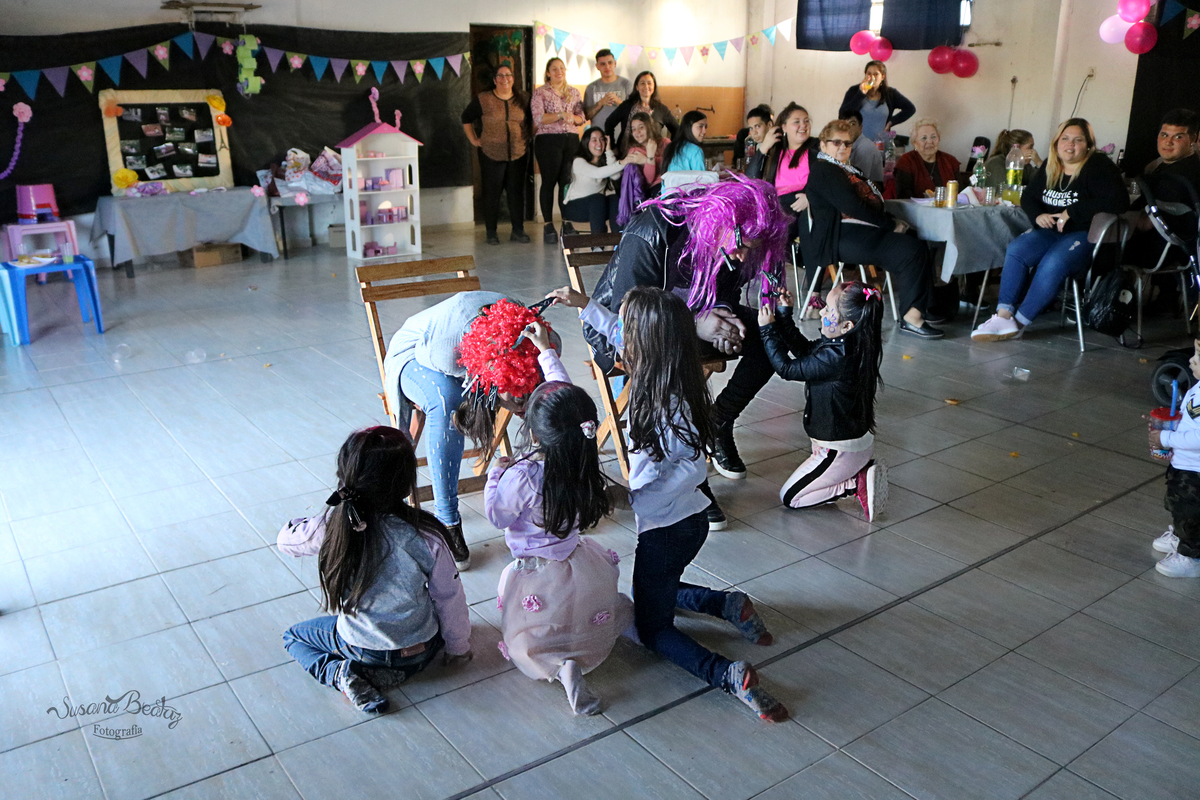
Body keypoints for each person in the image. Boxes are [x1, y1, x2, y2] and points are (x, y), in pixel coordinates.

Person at [549, 284, 789, 722]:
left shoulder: (658, 405)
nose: (622, 337)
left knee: (652, 626)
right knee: (655, 589)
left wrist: (626, 497)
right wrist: (584, 305)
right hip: (690, 520)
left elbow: (674, 475)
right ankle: (726, 605)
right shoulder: (673, 373)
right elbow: (619, 330)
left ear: (644, 344)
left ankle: (726, 673)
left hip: (666, 530)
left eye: (629, 330)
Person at [580, 175, 793, 481]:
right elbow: (631, 315)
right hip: (627, 330)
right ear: (720, 221)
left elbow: (727, 288)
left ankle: (719, 421)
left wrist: (724, 313)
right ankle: (680, 463)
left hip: (692, 314)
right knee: (671, 349)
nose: (744, 256)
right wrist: (693, 323)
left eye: (752, 249)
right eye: (743, 246)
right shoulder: (653, 227)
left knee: (771, 334)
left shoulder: (732, 239)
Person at [485, 321, 633, 715]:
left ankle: (558, 666)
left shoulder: (522, 476)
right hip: (577, 562)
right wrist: (546, 352)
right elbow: (568, 401)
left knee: (530, 634)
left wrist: (494, 475)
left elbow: (498, 515)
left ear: (535, 434)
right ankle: (576, 650)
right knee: (574, 610)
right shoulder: (582, 460)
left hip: (534, 571)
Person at [278, 427, 472, 713]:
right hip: (424, 650)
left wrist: (311, 521)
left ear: (345, 476)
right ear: (406, 482)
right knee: (433, 613)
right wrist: (458, 647)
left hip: (364, 649)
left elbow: (285, 542)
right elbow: (449, 596)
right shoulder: (427, 534)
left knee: (293, 636)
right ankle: (395, 670)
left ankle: (340, 674)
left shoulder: (331, 527)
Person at [382, 292, 568, 569]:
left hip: (482, 354)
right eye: (517, 399)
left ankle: (556, 486)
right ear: (490, 379)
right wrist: (476, 383)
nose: (523, 407)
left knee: (545, 394)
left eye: (527, 392)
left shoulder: (546, 340)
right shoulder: (445, 353)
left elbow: (555, 382)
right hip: (416, 353)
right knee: (447, 400)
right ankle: (446, 520)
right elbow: (433, 361)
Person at [971, 117, 1130, 341]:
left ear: (1088, 145)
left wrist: (1072, 211)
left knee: (1053, 262)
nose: (1070, 145)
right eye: (1065, 139)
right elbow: (1029, 197)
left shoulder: (1099, 165)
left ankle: (1019, 323)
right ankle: (1003, 317)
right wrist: (1038, 215)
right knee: (1016, 250)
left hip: (1084, 234)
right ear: (1056, 142)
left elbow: (1119, 201)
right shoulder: (1051, 164)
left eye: (1078, 140)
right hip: (1052, 232)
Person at [757, 282, 888, 519]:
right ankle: (854, 471)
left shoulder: (837, 357)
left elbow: (786, 369)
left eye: (828, 310)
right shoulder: (849, 343)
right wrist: (784, 316)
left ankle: (854, 483)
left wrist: (767, 330)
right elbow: (805, 352)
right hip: (846, 444)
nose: (821, 313)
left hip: (838, 451)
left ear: (847, 325)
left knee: (791, 498)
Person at [805, 119, 942, 339]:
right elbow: (853, 207)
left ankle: (925, 307)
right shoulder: (824, 169)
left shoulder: (846, 169)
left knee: (916, 239)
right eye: (836, 142)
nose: (842, 147)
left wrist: (891, 222)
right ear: (823, 144)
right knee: (911, 249)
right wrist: (890, 224)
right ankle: (912, 317)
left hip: (859, 232)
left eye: (847, 143)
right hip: (841, 237)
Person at [745, 103, 820, 309]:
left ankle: (813, 294)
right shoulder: (775, 152)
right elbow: (750, 179)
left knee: (807, 230)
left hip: (806, 207)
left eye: (806, 121)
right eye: (797, 122)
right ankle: (772, 290)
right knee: (772, 232)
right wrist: (764, 147)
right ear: (784, 127)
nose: (803, 126)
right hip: (777, 207)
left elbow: (827, 180)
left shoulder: (815, 150)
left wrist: (810, 196)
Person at [461, 63, 531, 245]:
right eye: (500, 76)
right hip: (491, 153)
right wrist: (474, 140)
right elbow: (466, 118)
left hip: (518, 153)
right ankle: (491, 232)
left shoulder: (523, 98)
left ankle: (518, 230)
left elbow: (532, 120)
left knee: (516, 193)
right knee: (492, 193)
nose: (504, 79)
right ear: (494, 80)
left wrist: (526, 138)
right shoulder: (484, 99)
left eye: (508, 75)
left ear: (513, 79)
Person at [1150, 339, 1200, 578]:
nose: (1191, 360)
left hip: (1195, 471)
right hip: (1184, 464)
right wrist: (1169, 423)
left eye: (1198, 357)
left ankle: (1191, 556)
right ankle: (1181, 536)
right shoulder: (1197, 388)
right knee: (1179, 505)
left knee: (1191, 511)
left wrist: (1166, 438)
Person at [531, 57, 585, 243]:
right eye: (554, 69)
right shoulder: (540, 92)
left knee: (566, 182)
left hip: (571, 140)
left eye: (562, 68)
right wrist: (560, 115)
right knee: (549, 182)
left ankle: (567, 222)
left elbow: (581, 117)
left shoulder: (574, 92)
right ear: (548, 73)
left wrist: (573, 118)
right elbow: (538, 118)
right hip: (548, 140)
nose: (559, 72)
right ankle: (548, 225)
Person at [562, 127, 645, 234]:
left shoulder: (604, 163)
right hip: (575, 207)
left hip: (597, 207)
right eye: (594, 140)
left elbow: (615, 176)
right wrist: (623, 162)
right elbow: (597, 173)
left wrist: (609, 151)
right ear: (586, 143)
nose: (599, 143)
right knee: (597, 199)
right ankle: (598, 241)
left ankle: (618, 238)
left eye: (602, 139)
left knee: (614, 199)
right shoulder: (578, 161)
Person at [838, 60, 915, 146]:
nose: (872, 77)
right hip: (857, 145)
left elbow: (910, 109)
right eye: (869, 74)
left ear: (882, 76)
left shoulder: (890, 93)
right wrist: (861, 94)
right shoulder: (855, 91)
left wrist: (891, 122)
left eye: (876, 74)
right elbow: (842, 115)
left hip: (880, 144)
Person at [605, 71, 679, 146]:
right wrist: (612, 146)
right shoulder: (627, 105)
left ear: (654, 86)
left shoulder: (661, 109)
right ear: (637, 87)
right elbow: (609, 123)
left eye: (649, 83)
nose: (646, 86)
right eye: (642, 83)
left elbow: (677, 130)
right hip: (626, 151)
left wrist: (671, 149)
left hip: (652, 152)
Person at [894, 119, 962, 200]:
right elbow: (904, 197)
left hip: (948, 207)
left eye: (933, 137)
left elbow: (961, 193)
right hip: (916, 208)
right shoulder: (907, 161)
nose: (929, 141)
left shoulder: (950, 161)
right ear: (914, 143)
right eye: (924, 138)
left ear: (939, 139)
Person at [584, 49, 633, 132]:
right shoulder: (591, 87)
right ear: (597, 66)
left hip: (622, 135)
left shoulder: (626, 84)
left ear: (615, 64)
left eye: (610, 63)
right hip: (599, 136)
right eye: (603, 64)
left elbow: (635, 112)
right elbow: (586, 116)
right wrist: (600, 104)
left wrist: (618, 102)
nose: (607, 67)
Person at [845, 111, 884, 184]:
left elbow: (859, 180)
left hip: (869, 188)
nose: (848, 128)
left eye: (852, 124)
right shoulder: (846, 145)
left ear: (860, 127)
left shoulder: (865, 147)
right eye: (844, 125)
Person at [734, 104, 773, 171]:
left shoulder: (776, 147)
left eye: (758, 126)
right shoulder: (751, 143)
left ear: (769, 125)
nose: (754, 132)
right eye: (751, 128)